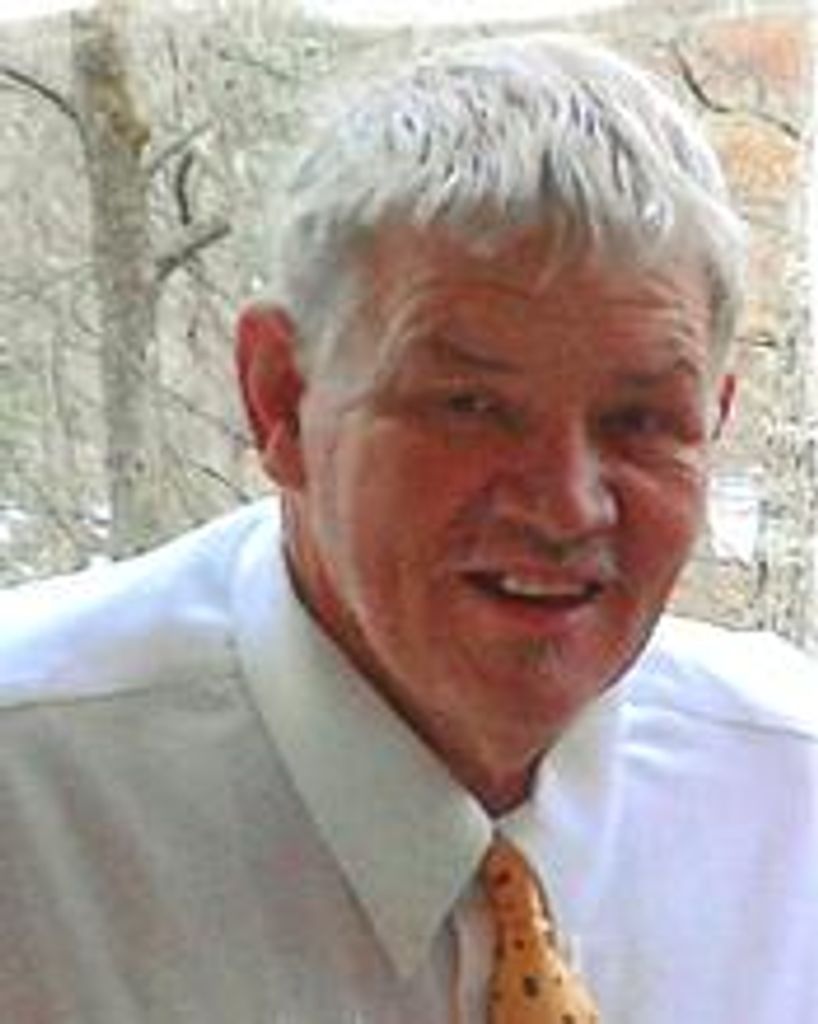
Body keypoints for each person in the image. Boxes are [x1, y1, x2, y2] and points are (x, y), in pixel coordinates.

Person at [1, 31, 816, 1024]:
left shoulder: (789, 801)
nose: (565, 505)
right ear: (280, 399)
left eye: (639, 420)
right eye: (469, 406)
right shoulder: (29, 809)